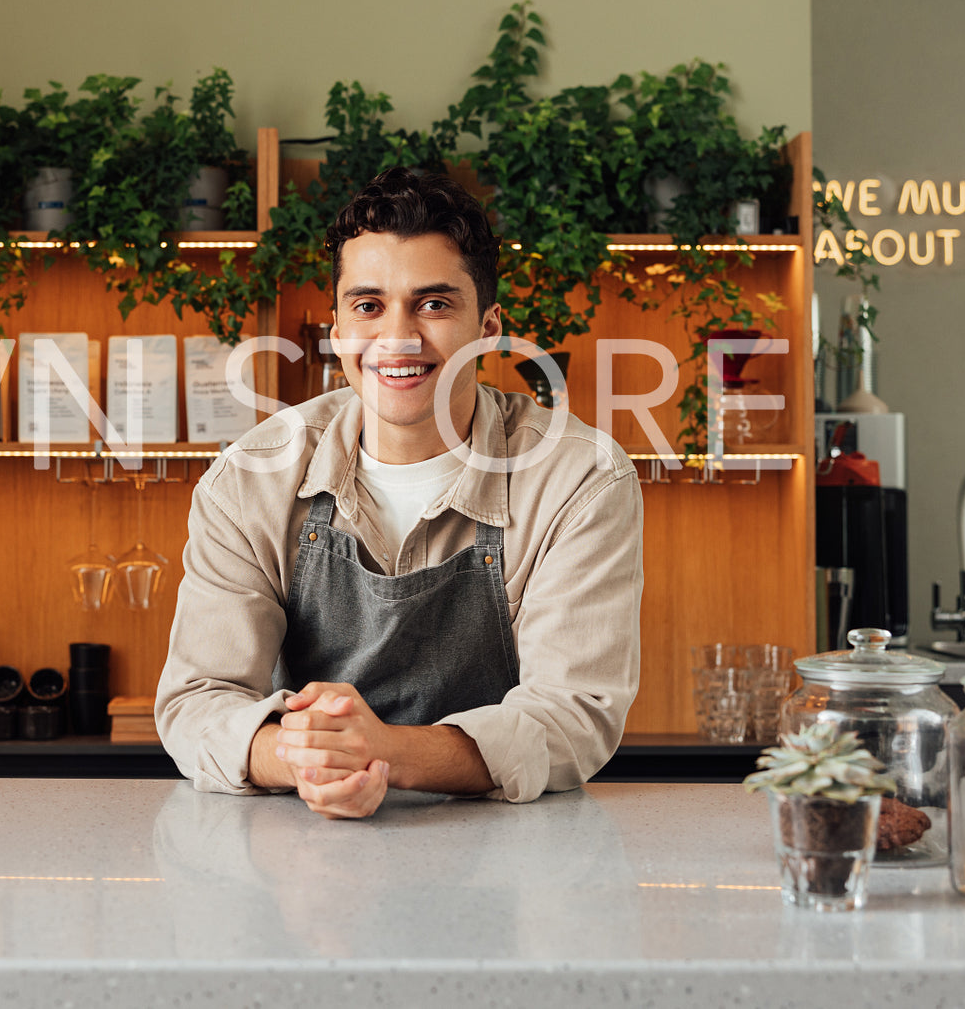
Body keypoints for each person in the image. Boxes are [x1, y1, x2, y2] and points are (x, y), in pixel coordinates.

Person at [156, 167, 642, 819]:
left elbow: (570, 716)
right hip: (302, 854)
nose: (398, 338)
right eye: (367, 306)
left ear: (488, 327)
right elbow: (198, 701)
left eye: (434, 304)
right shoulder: (251, 476)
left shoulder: (577, 478)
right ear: (335, 329)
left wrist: (381, 752)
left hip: (509, 856)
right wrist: (310, 759)